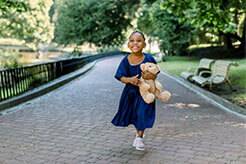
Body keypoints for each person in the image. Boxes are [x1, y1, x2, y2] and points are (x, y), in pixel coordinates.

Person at [111, 31, 157, 151]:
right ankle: (138, 133)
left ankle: (139, 137)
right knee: (133, 114)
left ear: (144, 44)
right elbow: (119, 76)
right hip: (130, 93)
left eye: (138, 40)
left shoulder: (149, 58)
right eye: (132, 40)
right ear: (128, 44)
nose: (135, 43)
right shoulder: (126, 60)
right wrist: (129, 80)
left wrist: (149, 76)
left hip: (146, 92)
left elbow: (155, 73)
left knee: (142, 113)